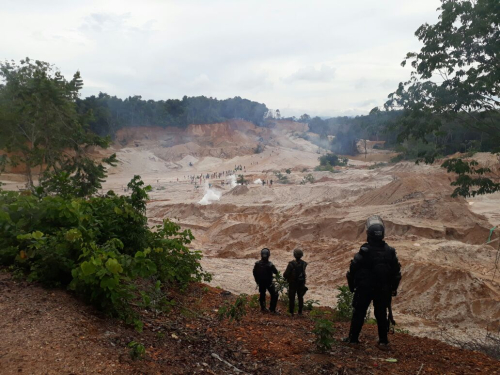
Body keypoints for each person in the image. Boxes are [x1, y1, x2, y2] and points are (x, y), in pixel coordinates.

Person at [344, 215, 401, 348]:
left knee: (359, 312)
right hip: (383, 289)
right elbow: (396, 273)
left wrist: (352, 286)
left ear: (368, 233)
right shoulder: (390, 251)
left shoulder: (364, 251)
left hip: (365, 288)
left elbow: (352, 269)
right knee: (381, 313)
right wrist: (393, 289)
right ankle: (383, 341)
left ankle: (353, 340)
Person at [253, 248, 279, 313]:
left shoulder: (257, 264)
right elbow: (276, 272)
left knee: (262, 294)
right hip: (269, 283)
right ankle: (272, 309)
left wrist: (257, 281)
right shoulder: (270, 265)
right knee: (274, 294)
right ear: (269, 255)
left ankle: (263, 308)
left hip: (261, 282)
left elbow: (254, 273)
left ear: (261, 255)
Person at [283, 248, 308, 316]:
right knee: (300, 297)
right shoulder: (304, 264)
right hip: (301, 283)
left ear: (294, 255)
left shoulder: (291, 264)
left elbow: (285, 274)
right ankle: (300, 312)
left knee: (292, 298)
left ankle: (291, 312)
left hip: (293, 283)